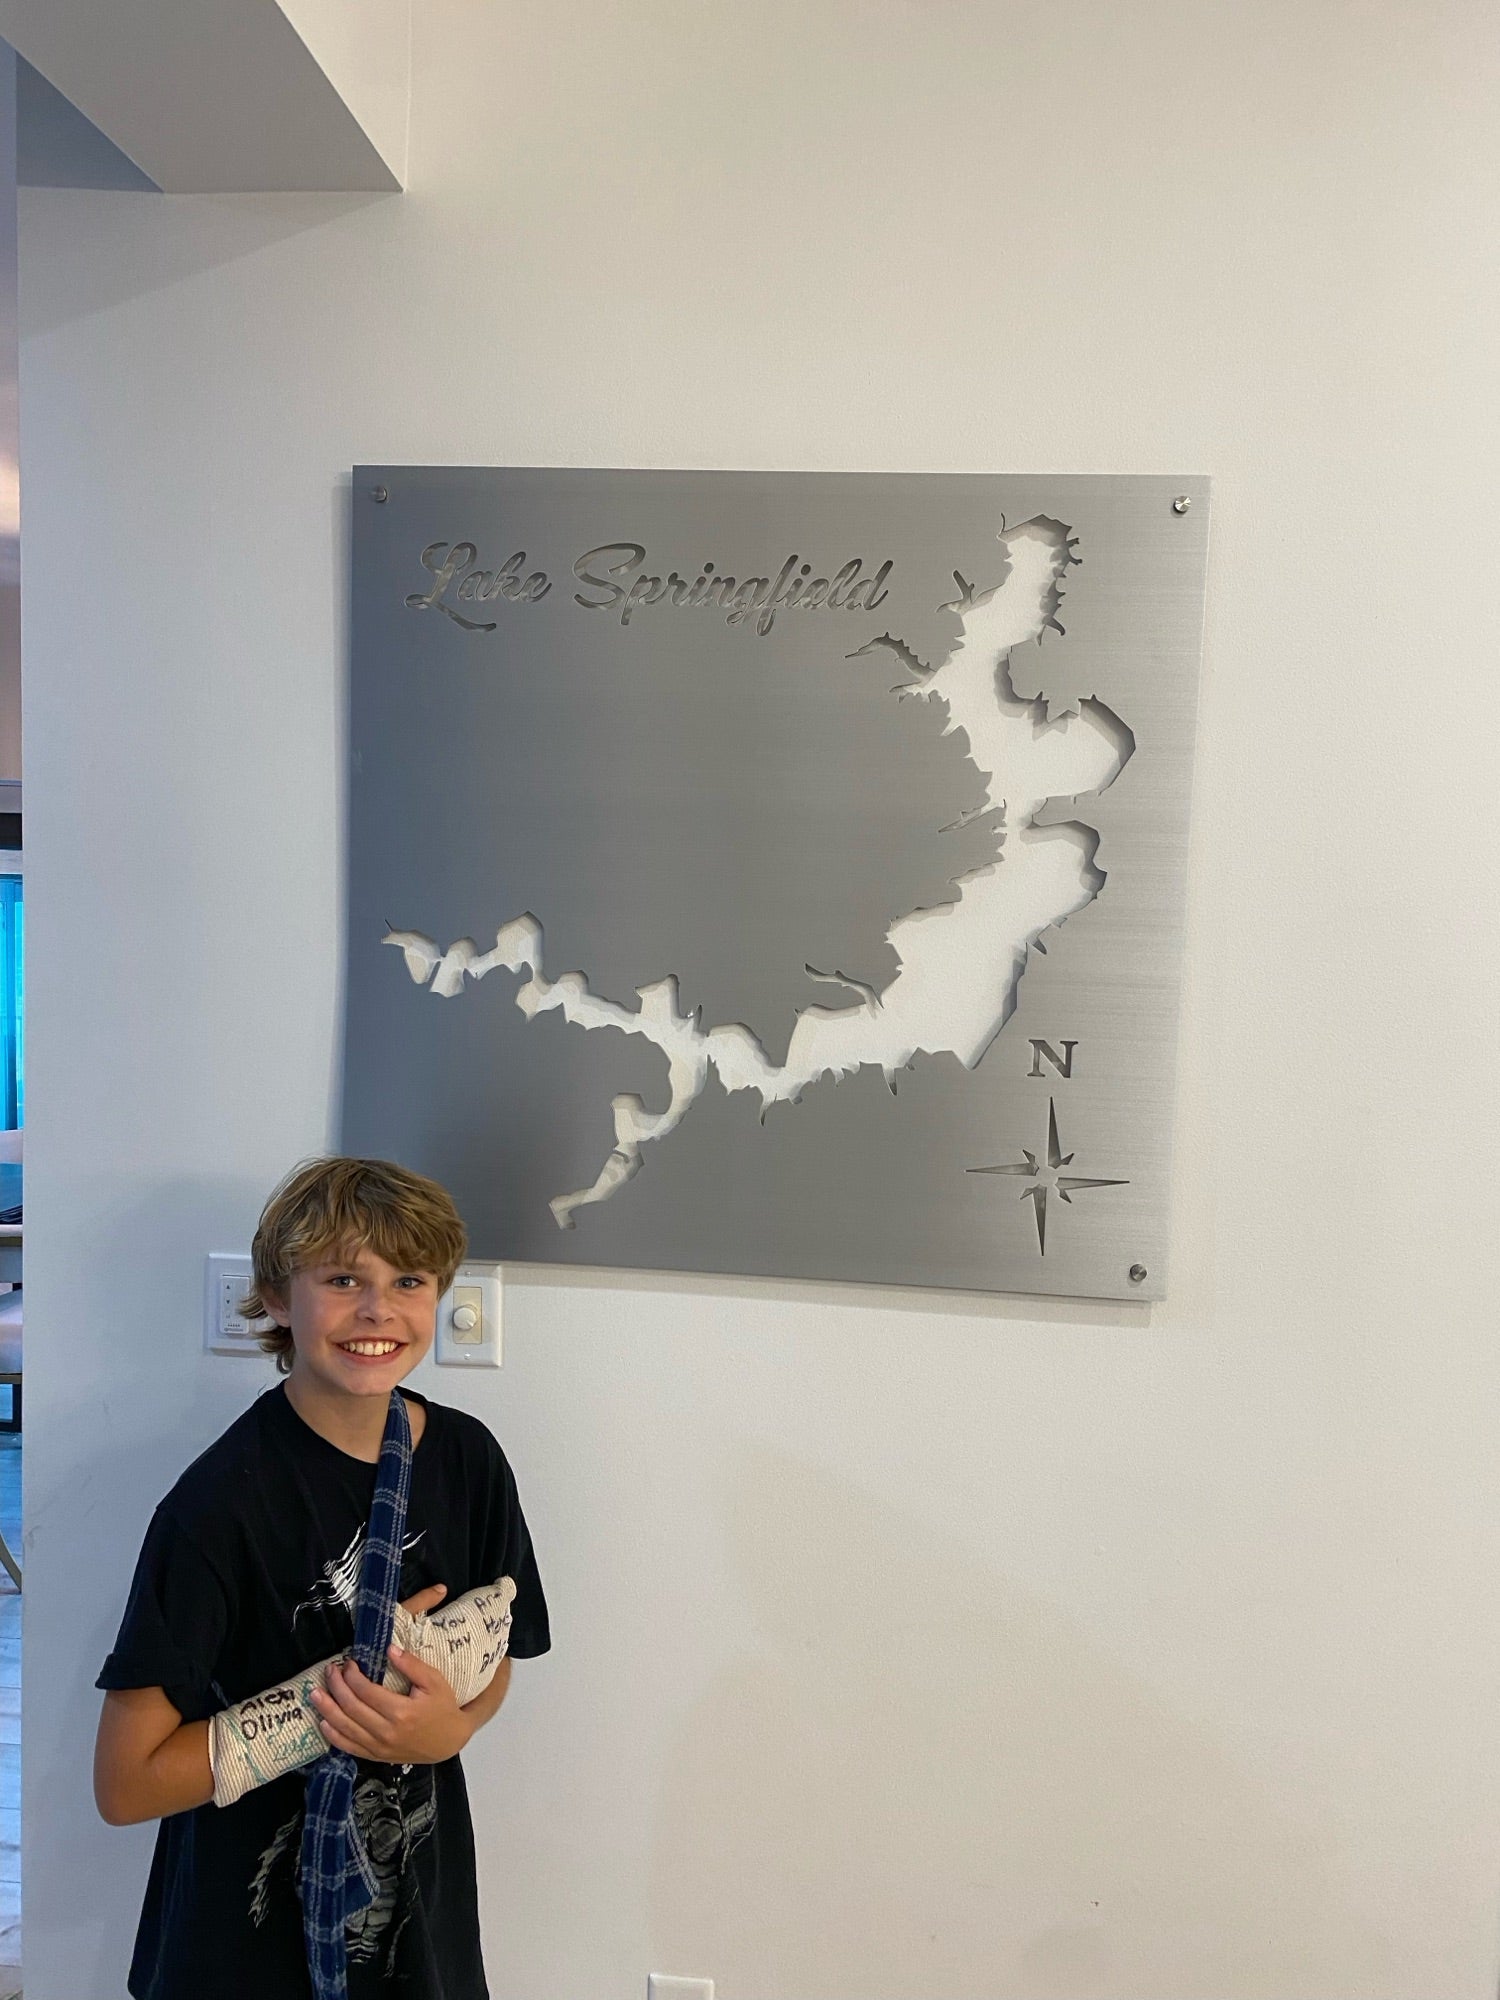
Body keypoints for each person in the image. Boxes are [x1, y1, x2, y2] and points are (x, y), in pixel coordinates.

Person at [93, 1157, 550, 1999]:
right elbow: (125, 1785)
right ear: (276, 1297)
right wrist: (323, 1709)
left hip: (420, 1928)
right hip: (241, 1944)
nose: (378, 1310)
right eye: (343, 1278)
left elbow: (497, 1652)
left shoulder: (470, 1461)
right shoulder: (215, 1508)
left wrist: (448, 1732)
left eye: (408, 1279)